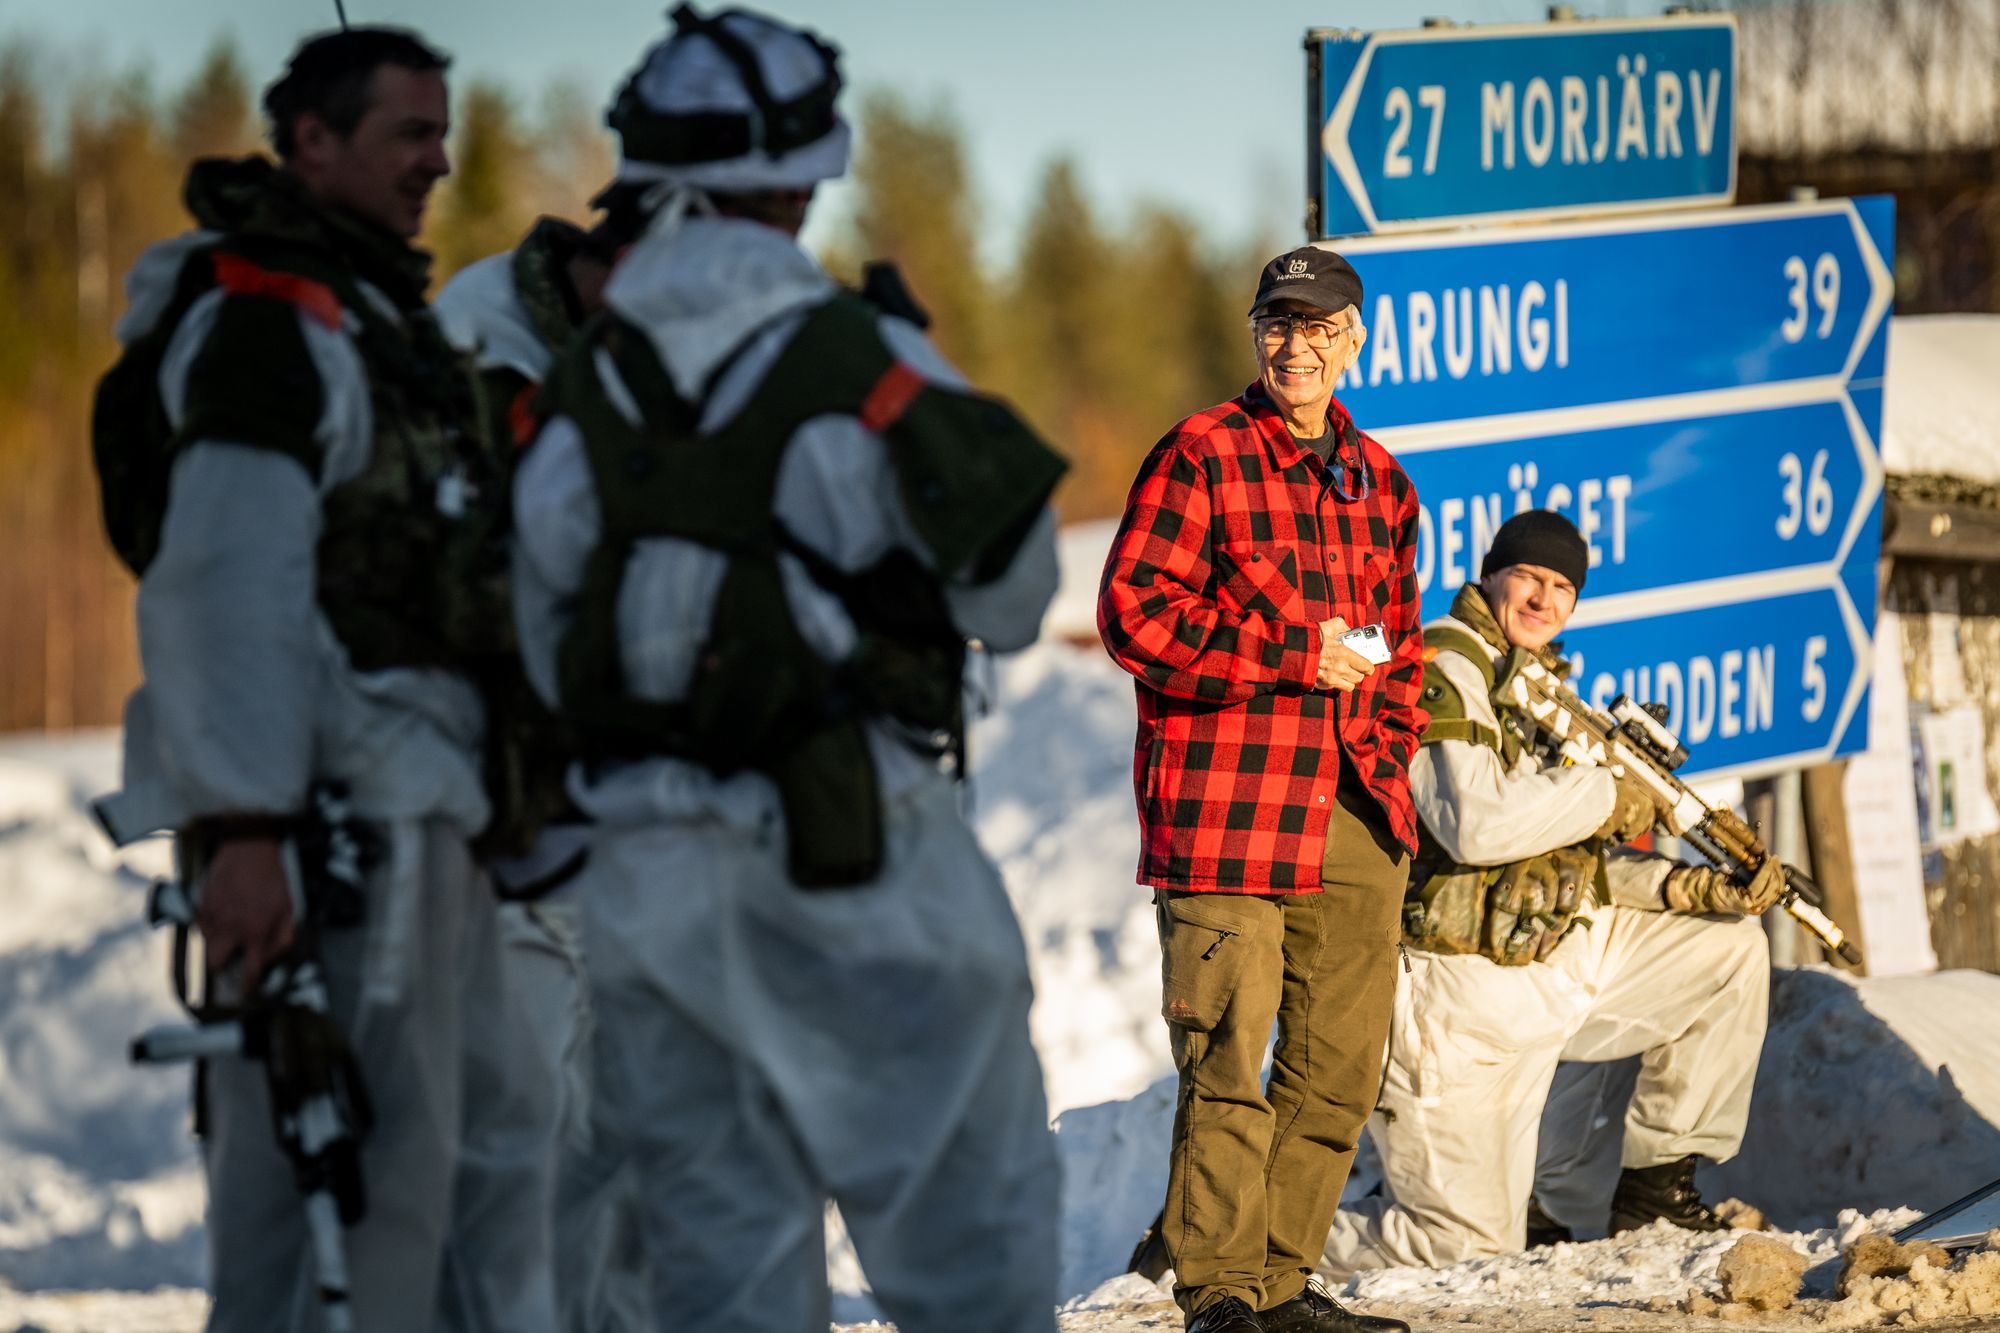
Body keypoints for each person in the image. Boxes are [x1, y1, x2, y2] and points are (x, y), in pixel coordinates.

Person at [509, 7, 1068, 1330]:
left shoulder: (571, 401)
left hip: (643, 896)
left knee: (721, 1281)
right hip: (856, 866)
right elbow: (1020, 589)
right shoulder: (862, 359)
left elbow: (544, 646)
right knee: (967, 1245)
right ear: (797, 178)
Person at [90, 27, 552, 1333]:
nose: (438, 160)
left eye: (442, 130)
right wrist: (244, 828)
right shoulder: (262, 327)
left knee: (480, 1176)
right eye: (409, 131)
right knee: (339, 1211)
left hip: (425, 825)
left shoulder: (374, 325)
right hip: (325, 845)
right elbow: (222, 582)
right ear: (313, 141)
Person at [1097, 246, 1424, 1333]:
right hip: (1228, 806)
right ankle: (1222, 1293)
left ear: (1354, 341)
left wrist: (1390, 751)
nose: (1296, 346)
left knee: (1337, 1069)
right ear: (1256, 336)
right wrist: (1290, 649)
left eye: (1319, 326)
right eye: (1277, 324)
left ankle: (1283, 1283)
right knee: (1227, 1059)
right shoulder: (1199, 454)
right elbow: (1133, 615)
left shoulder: (1380, 480)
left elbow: (1403, 651)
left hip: (1350, 804)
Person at [1320, 510, 1781, 1278]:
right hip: (1452, 993)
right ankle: (1236, 1238)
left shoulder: (1536, 687)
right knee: (1460, 1249)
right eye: (1529, 576)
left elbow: (1561, 857)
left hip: (1545, 959)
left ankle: (1656, 1189)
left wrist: (1682, 884)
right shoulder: (1444, 664)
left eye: (1562, 585)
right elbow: (1473, 823)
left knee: (1724, 950)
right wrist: (1608, 793)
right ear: (1491, 574)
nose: (1542, 598)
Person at [433, 199, 651, 1333]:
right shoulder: (481, 344)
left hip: (610, 799)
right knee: (530, 1108)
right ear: (608, 263)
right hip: (512, 800)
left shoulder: (612, 350)